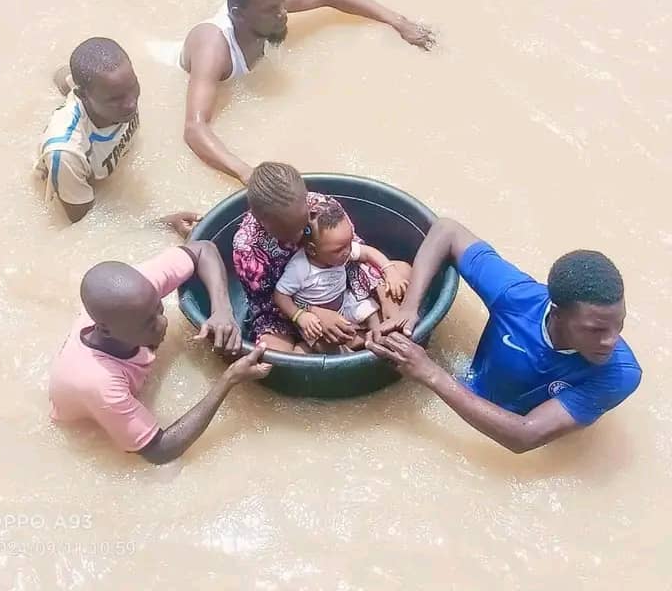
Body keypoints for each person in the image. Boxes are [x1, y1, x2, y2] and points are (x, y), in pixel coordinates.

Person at [367, 218, 642, 454]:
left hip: (527, 435)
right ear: (556, 313)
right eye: (596, 330)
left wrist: (430, 373)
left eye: (619, 324)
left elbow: (524, 436)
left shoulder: (619, 374)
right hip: (469, 387)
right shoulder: (517, 298)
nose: (611, 340)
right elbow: (447, 230)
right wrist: (410, 307)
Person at [180, 0, 437, 183]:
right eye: (272, 10)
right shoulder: (213, 49)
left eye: (282, 2)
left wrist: (398, 22)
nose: (284, 13)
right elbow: (194, 129)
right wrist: (245, 172)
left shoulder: (267, 4)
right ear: (238, 13)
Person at [49, 233, 271, 464]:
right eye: (148, 323)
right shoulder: (101, 383)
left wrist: (222, 309)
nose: (162, 322)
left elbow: (203, 249)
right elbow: (159, 451)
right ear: (105, 331)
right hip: (86, 428)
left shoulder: (136, 296)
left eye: (159, 308)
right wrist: (229, 379)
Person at [233, 161, 411, 352]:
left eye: (304, 226)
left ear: (306, 198)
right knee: (271, 357)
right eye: (288, 232)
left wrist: (384, 290)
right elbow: (269, 303)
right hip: (290, 312)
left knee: (404, 273)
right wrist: (312, 314)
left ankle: (358, 336)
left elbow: (351, 254)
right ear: (262, 222)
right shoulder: (248, 247)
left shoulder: (321, 207)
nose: (299, 237)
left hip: (338, 289)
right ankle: (343, 342)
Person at [274, 198, 408, 352]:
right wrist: (299, 316)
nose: (348, 251)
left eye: (350, 243)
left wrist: (389, 270)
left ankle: (381, 339)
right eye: (339, 249)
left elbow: (367, 252)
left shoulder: (342, 251)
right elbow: (280, 295)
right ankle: (358, 345)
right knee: (322, 344)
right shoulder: (300, 268)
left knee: (372, 312)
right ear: (312, 250)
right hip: (316, 318)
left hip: (345, 302)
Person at [36, 38, 140, 223]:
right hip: (69, 176)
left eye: (133, 86)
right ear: (82, 95)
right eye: (115, 99)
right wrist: (157, 225)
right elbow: (85, 224)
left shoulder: (112, 87)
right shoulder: (68, 154)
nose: (131, 103)